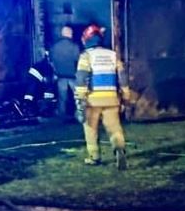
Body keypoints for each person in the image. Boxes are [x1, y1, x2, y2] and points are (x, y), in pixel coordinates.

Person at [75, 23, 129, 170]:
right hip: (111, 98)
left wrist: (80, 98)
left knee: (90, 128)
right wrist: (125, 94)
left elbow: (81, 78)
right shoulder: (113, 55)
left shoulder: (86, 56)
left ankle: (94, 156)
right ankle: (119, 148)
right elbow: (122, 77)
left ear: (87, 39)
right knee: (114, 128)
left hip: (92, 100)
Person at [48, 25, 82, 120]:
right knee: (78, 97)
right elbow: (78, 60)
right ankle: (79, 114)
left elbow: (51, 60)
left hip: (60, 76)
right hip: (73, 76)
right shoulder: (75, 46)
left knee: (62, 97)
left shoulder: (54, 46)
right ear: (68, 33)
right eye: (71, 33)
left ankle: (61, 115)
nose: (72, 34)